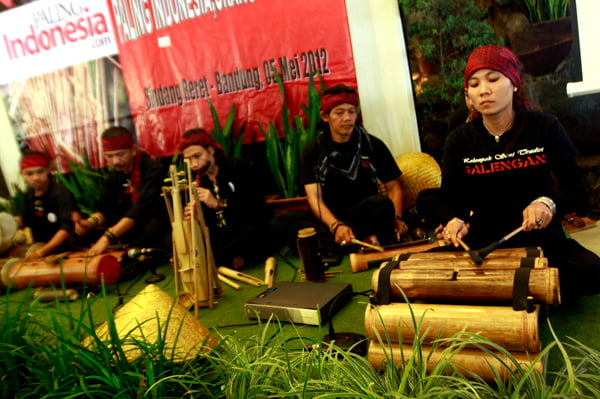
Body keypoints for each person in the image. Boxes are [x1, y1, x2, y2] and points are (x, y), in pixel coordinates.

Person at [439, 44, 600, 300]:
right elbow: (449, 199)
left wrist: (546, 203)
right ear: (468, 93)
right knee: (424, 273)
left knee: (590, 270)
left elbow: (578, 196)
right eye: (475, 83)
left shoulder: (545, 126)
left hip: (541, 238)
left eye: (493, 79)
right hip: (484, 240)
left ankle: (507, 291)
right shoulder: (458, 139)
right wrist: (454, 220)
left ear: (514, 83)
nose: (484, 90)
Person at [272, 84, 408, 256]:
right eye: (339, 112)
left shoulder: (372, 145)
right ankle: (359, 240)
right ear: (325, 116)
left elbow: (394, 187)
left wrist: (397, 218)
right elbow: (315, 198)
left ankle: (330, 246)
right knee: (281, 221)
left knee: (382, 205)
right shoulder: (313, 150)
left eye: (351, 112)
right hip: (328, 220)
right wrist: (336, 226)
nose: (347, 118)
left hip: (363, 214)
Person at [179, 128, 273, 269]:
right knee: (174, 238)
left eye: (197, 156)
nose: (194, 165)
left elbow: (258, 207)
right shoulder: (198, 181)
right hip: (223, 237)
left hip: (245, 228)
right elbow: (211, 225)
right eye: (188, 160)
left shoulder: (238, 167)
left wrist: (219, 203)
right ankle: (231, 258)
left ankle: (228, 258)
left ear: (210, 150)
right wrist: (197, 218)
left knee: (256, 234)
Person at [79, 127, 170, 256]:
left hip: (153, 227)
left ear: (133, 150)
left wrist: (108, 237)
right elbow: (105, 210)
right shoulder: (114, 176)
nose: (115, 161)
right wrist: (89, 223)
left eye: (120, 154)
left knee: (153, 232)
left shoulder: (153, 170)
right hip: (127, 230)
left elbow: (139, 210)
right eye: (110, 156)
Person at [16, 149, 80, 260]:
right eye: (29, 173)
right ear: (22, 174)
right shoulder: (29, 195)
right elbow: (26, 221)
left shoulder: (61, 193)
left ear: (48, 170)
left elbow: (66, 229)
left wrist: (40, 253)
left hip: (68, 252)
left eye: (40, 171)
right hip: (44, 251)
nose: (35, 177)